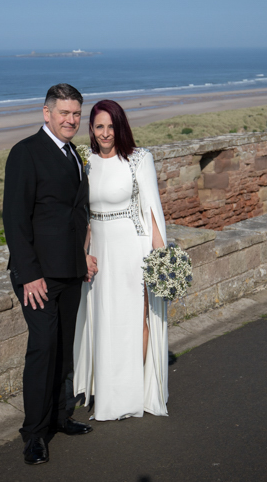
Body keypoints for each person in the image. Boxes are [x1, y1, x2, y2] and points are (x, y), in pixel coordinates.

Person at [3, 83, 98, 465]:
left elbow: (74, 214)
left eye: (76, 114)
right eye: (64, 113)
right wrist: (29, 275)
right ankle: (35, 435)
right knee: (42, 351)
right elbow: (15, 218)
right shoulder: (26, 153)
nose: (71, 120)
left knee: (63, 349)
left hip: (71, 270)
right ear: (46, 113)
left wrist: (84, 256)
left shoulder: (74, 153)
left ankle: (60, 417)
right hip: (38, 275)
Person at [73, 99, 169, 421]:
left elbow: (152, 211)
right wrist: (82, 253)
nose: (105, 133)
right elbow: (83, 215)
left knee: (133, 320)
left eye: (111, 126)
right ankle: (107, 392)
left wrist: (159, 259)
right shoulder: (85, 160)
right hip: (99, 250)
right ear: (91, 129)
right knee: (103, 320)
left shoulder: (139, 159)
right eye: (99, 126)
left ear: (120, 127)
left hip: (131, 247)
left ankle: (132, 394)